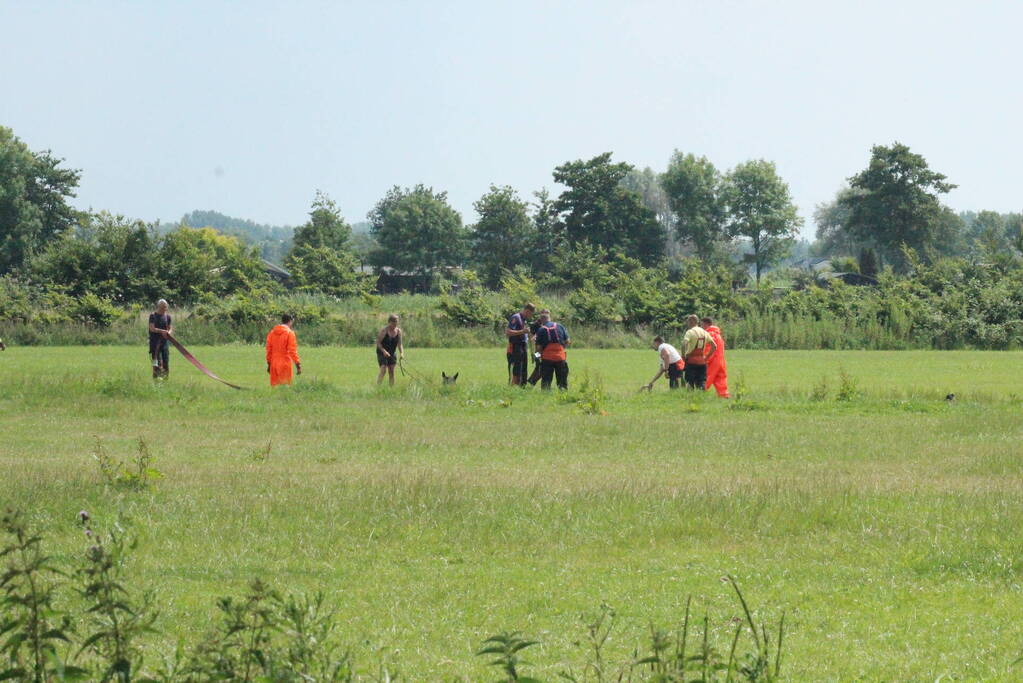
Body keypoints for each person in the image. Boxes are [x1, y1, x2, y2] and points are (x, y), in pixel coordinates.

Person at [534, 311, 570, 390]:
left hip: (547, 359)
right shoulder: (560, 326)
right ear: (550, 318)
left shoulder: (541, 330)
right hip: (560, 358)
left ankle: (545, 397)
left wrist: (537, 357)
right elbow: (567, 341)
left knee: (546, 383)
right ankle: (563, 396)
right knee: (562, 383)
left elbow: (538, 348)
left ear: (542, 320)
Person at [681, 314, 717, 390]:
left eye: (688, 321)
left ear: (692, 321)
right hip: (702, 361)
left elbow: (683, 344)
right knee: (701, 382)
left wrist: (683, 356)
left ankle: (690, 398)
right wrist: (706, 357)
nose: (687, 323)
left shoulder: (690, 332)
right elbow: (714, 346)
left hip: (691, 361)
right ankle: (702, 397)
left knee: (689, 381)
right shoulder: (704, 332)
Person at [266, 314, 301, 387]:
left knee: (274, 388)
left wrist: (269, 364)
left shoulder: (272, 332)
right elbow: (292, 350)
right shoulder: (290, 333)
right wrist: (297, 364)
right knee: (285, 387)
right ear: (290, 321)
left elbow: (269, 349)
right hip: (285, 362)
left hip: (274, 363)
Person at [505, 303, 534, 386]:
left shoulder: (524, 319)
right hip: (515, 346)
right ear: (527, 311)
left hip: (522, 346)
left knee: (523, 369)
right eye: (531, 314)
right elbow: (508, 332)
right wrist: (522, 331)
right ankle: (512, 387)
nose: (531, 316)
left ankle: (522, 388)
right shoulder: (516, 317)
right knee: (516, 369)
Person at [701, 316, 730, 398]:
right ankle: (724, 395)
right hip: (721, 361)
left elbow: (708, 348)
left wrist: (705, 359)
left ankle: (699, 394)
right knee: (720, 378)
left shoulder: (709, 334)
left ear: (706, 324)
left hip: (713, 361)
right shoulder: (718, 335)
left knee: (706, 377)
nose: (701, 327)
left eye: (702, 324)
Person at [375, 313, 404, 386]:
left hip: (392, 352)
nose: (395, 324)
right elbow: (378, 343)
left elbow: (400, 344)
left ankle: (391, 389)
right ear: (389, 322)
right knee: (383, 369)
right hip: (382, 352)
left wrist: (402, 353)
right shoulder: (384, 330)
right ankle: (378, 387)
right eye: (394, 322)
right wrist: (384, 351)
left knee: (391, 371)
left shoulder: (399, 331)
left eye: (397, 322)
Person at [148, 299, 172, 379]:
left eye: (165, 307)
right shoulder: (153, 316)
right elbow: (152, 328)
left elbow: (170, 328)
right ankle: (156, 380)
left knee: (166, 362)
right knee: (156, 363)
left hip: (164, 344)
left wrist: (168, 332)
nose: (164, 309)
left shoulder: (168, 317)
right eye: (162, 307)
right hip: (155, 344)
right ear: (158, 307)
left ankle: (165, 380)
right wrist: (162, 331)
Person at [526, 309, 549, 386]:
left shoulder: (548, 324)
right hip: (537, 351)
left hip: (546, 350)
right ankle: (531, 382)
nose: (545, 315)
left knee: (541, 368)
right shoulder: (535, 324)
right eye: (544, 314)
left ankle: (531, 382)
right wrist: (533, 353)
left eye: (547, 314)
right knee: (539, 367)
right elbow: (531, 338)